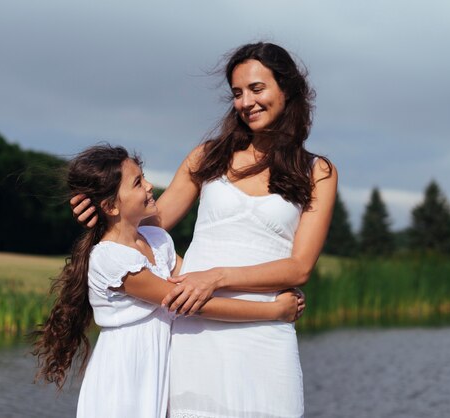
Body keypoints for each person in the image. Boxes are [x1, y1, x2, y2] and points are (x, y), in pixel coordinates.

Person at [71, 42, 337, 417]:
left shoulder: (318, 172)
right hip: (195, 326)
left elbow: (300, 268)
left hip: (266, 327)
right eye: (238, 93)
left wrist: (216, 277)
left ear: (287, 88)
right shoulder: (208, 156)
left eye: (257, 89)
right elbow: (152, 219)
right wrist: (101, 209)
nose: (246, 102)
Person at [32, 144, 304, 418]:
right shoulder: (111, 259)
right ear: (111, 206)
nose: (150, 186)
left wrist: (271, 290)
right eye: (138, 182)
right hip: (125, 378)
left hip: (156, 374)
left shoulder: (157, 241)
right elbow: (193, 303)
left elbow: (198, 280)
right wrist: (273, 311)